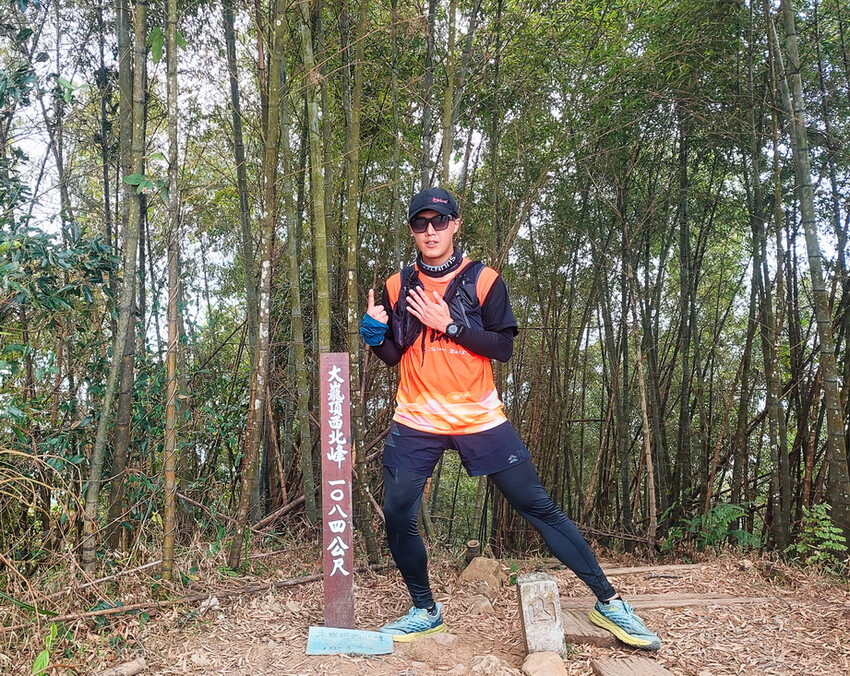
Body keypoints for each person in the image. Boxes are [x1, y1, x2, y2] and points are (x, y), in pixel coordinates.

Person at [359, 187, 661, 650]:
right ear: (413, 232)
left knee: (537, 506)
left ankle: (610, 602)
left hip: (479, 417)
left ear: (456, 224)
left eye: (440, 221)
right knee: (399, 513)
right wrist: (374, 336)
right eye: (421, 224)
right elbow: (397, 354)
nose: (431, 231)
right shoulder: (398, 285)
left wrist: (450, 324)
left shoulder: (484, 280)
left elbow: (502, 348)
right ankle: (424, 610)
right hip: (417, 417)